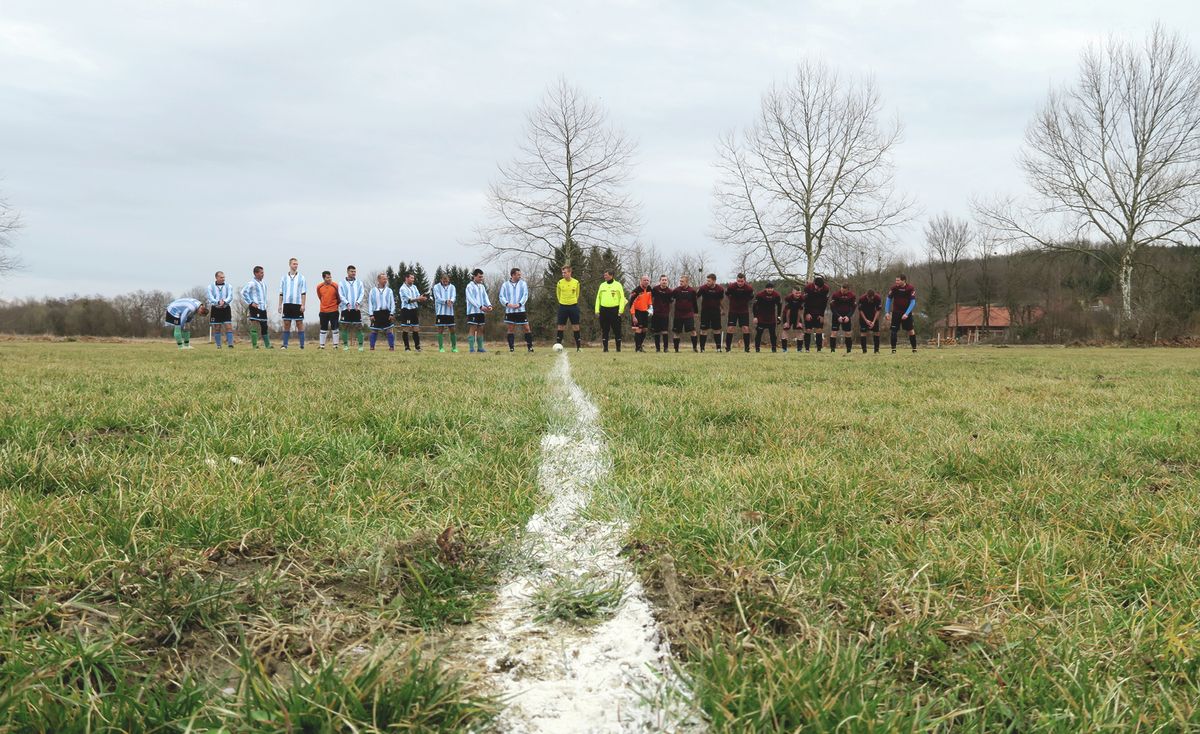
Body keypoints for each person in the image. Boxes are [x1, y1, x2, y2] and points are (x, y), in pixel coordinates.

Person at [499, 267, 533, 353]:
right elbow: (501, 296)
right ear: (513, 275)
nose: (520, 276)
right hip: (510, 311)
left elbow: (525, 295)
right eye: (518, 275)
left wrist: (520, 304)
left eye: (520, 275)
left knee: (526, 328)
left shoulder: (523, 284)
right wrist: (507, 304)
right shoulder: (505, 285)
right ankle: (511, 349)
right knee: (511, 329)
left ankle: (530, 348)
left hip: (520, 310)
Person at [594, 269, 626, 352]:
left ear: (611, 276)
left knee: (617, 330)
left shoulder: (618, 285)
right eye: (604, 275)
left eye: (606, 275)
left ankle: (618, 349)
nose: (604, 276)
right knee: (605, 330)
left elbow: (622, 298)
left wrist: (620, 310)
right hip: (604, 310)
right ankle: (605, 349)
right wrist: (597, 310)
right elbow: (598, 298)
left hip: (615, 310)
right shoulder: (602, 285)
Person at [278, 257, 307, 349]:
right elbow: (281, 292)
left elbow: (303, 292)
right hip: (287, 304)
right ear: (290, 265)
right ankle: (285, 345)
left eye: (297, 264)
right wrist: (279, 305)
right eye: (294, 264)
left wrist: (303, 304)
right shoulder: (284, 278)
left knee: (299, 324)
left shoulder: (302, 278)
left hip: (297, 304)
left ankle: (302, 345)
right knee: (286, 324)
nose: (296, 265)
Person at [886, 274, 918, 353]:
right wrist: (887, 312)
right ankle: (893, 350)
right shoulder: (894, 288)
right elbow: (888, 300)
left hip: (906, 314)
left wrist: (906, 313)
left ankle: (914, 349)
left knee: (911, 330)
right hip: (896, 313)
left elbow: (913, 302)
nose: (896, 282)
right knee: (893, 331)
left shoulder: (910, 288)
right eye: (896, 280)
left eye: (898, 280)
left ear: (903, 280)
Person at [241, 266, 271, 349]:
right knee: (255, 325)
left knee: (264, 326)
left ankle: (268, 345)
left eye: (263, 273)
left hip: (263, 308)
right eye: (261, 273)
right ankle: (255, 345)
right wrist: (251, 302)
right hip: (255, 307)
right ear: (256, 273)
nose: (263, 274)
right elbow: (243, 292)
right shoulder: (252, 283)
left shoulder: (264, 284)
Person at [338, 265, 366, 352]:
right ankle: (346, 346)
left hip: (356, 308)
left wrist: (358, 302)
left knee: (359, 327)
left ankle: (360, 346)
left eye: (354, 271)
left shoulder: (359, 283)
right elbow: (341, 294)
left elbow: (362, 293)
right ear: (347, 272)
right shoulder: (341, 283)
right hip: (346, 308)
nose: (353, 273)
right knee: (345, 327)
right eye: (352, 271)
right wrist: (347, 303)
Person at [724, 273, 755, 353]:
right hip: (733, 310)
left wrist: (745, 301)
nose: (740, 283)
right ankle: (728, 348)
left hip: (744, 311)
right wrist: (732, 300)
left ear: (744, 280)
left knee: (745, 328)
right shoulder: (731, 287)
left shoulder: (749, 288)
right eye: (738, 281)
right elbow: (727, 294)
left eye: (741, 281)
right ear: (736, 280)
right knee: (730, 328)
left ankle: (747, 348)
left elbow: (751, 297)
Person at [555, 265, 583, 351]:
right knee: (560, 326)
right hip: (563, 306)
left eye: (565, 272)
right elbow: (558, 294)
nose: (563, 274)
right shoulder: (560, 282)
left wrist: (572, 301)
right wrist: (563, 302)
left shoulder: (576, 282)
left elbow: (577, 294)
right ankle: (558, 346)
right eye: (562, 272)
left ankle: (578, 347)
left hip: (573, 306)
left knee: (576, 326)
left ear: (570, 272)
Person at [465, 268, 493, 353]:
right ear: (474, 276)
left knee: (481, 328)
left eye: (482, 277)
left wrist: (489, 305)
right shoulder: (469, 286)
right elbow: (471, 299)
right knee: (473, 328)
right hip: (473, 311)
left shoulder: (482, 286)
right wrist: (480, 306)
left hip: (481, 312)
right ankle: (471, 348)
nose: (481, 279)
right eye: (480, 277)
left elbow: (485, 297)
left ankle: (480, 348)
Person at [397, 272, 427, 351]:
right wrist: (418, 299)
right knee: (406, 328)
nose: (413, 280)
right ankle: (407, 347)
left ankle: (418, 347)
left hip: (414, 309)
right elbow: (408, 300)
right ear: (406, 278)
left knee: (416, 328)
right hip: (406, 310)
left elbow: (418, 297)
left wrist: (422, 298)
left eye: (413, 278)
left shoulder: (414, 287)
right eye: (411, 278)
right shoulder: (402, 288)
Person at [367, 272, 396, 351]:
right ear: (379, 280)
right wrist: (371, 314)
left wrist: (392, 313)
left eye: (386, 279)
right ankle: (372, 347)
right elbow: (370, 303)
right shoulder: (372, 291)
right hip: (376, 313)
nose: (385, 280)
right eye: (384, 279)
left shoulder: (389, 290)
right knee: (374, 330)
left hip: (386, 313)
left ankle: (391, 347)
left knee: (389, 330)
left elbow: (392, 302)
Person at [671, 274, 699, 352]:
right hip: (678, 314)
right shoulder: (676, 290)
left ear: (687, 282)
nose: (680, 283)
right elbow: (670, 299)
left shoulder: (692, 291)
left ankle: (694, 348)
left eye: (682, 281)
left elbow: (694, 303)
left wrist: (696, 312)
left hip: (688, 314)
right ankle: (676, 349)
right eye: (680, 281)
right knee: (676, 332)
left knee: (693, 331)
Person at [206, 271, 234, 348]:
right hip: (216, 309)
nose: (223, 279)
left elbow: (230, 296)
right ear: (216, 277)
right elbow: (210, 298)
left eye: (224, 277)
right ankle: (219, 345)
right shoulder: (210, 287)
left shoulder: (229, 286)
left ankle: (230, 344)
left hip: (226, 308)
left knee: (229, 326)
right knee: (217, 328)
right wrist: (217, 302)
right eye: (221, 277)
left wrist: (224, 302)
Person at [697, 274, 724, 352]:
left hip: (716, 312)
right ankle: (702, 349)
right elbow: (696, 296)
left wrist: (722, 309)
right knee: (703, 330)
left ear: (714, 281)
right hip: (705, 312)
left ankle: (718, 348)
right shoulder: (703, 288)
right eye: (707, 280)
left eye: (709, 281)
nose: (707, 282)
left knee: (717, 330)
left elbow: (721, 300)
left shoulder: (720, 289)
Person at [432, 272, 458, 352]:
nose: (445, 282)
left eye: (447, 281)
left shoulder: (452, 287)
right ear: (441, 280)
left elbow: (454, 296)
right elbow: (437, 298)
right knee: (440, 329)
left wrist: (451, 301)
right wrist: (446, 301)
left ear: (448, 280)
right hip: (440, 312)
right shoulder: (436, 287)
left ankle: (454, 347)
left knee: (452, 329)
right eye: (444, 281)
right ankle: (441, 347)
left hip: (450, 312)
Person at [803, 276, 830, 352]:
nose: (819, 289)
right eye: (817, 287)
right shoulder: (808, 288)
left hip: (819, 311)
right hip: (809, 310)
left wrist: (821, 315)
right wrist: (807, 313)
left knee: (819, 330)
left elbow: (825, 303)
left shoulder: (826, 289)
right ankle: (807, 349)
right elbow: (805, 302)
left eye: (820, 288)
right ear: (814, 284)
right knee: (808, 329)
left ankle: (819, 349)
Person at [753, 282, 782, 352]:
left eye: (771, 288)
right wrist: (755, 317)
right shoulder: (760, 295)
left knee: (773, 334)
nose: (770, 290)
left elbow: (779, 306)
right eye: (768, 288)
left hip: (771, 318)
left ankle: (774, 349)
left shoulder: (776, 295)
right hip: (761, 317)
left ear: (773, 289)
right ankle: (757, 348)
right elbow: (754, 306)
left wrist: (778, 316)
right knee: (759, 333)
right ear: (766, 289)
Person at [829, 282, 857, 354]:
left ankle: (849, 350)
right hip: (836, 316)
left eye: (844, 291)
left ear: (848, 290)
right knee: (834, 332)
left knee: (848, 333)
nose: (843, 292)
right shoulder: (835, 295)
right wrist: (838, 316)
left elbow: (853, 308)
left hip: (847, 316)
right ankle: (832, 350)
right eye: (842, 290)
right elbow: (832, 307)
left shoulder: (852, 296)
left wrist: (848, 316)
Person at [627, 275, 653, 352]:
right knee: (638, 329)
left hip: (645, 312)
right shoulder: (636, 291)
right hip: (637, 312)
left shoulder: (649, 289)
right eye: (644, 280)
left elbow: (649, 300)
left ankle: (640, 346)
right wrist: (633, 316)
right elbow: (631, 304)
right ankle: (637, 348)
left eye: (647, 280)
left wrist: (650, 309)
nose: (646, 282)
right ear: (641, 281)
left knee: (644, 330)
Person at [650, 274, 674, 353]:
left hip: (665, 314)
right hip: (656, 313)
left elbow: (671, 301)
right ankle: (657, 348)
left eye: (665, 280)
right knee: (656, 332)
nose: (664, 281)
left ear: (667, 281)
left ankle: (666, 348)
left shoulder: (670, 291)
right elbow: (650, 298)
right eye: (662, 280)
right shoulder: (655, 289)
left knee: (665, 331)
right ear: (660, 281)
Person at [316, 271, 340, 350]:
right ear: (323, 278)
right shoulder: (319, 287)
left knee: (335, 328)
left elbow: (339, 298)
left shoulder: (335, 286)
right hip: (323, 311)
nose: (329, 279)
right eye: (327, 277)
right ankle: (322, 345)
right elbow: (320, 297)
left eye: (330, 277)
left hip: (334, 310)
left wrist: (335, 305)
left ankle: (335, 345)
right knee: (323, 328)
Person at [857, 288, 883, 354]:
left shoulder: (877, 298)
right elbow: (860, 311)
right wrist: (866, 320)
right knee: (863, 333)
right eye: (869, 298)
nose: (870, 300)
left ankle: (876, 350)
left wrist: (874, 321)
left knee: (876, 332)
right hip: (864, 317)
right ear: (867, 296)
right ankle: (864, 351)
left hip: (873, 316)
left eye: (872, 298)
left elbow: (878, 310)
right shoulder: (862, 299)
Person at [780, 284, 805, 352]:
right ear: (793, 292)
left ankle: (799, 349)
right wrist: (787, 322)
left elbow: (800, 311)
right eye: (796, 293)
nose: (798, 295)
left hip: (797, 315)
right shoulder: (788, 298)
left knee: (799, 329)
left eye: (799, 293)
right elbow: (788, 311)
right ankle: (784, 349)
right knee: (785, 329)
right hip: (787, 315)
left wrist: (798, 322)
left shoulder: (802, 298)